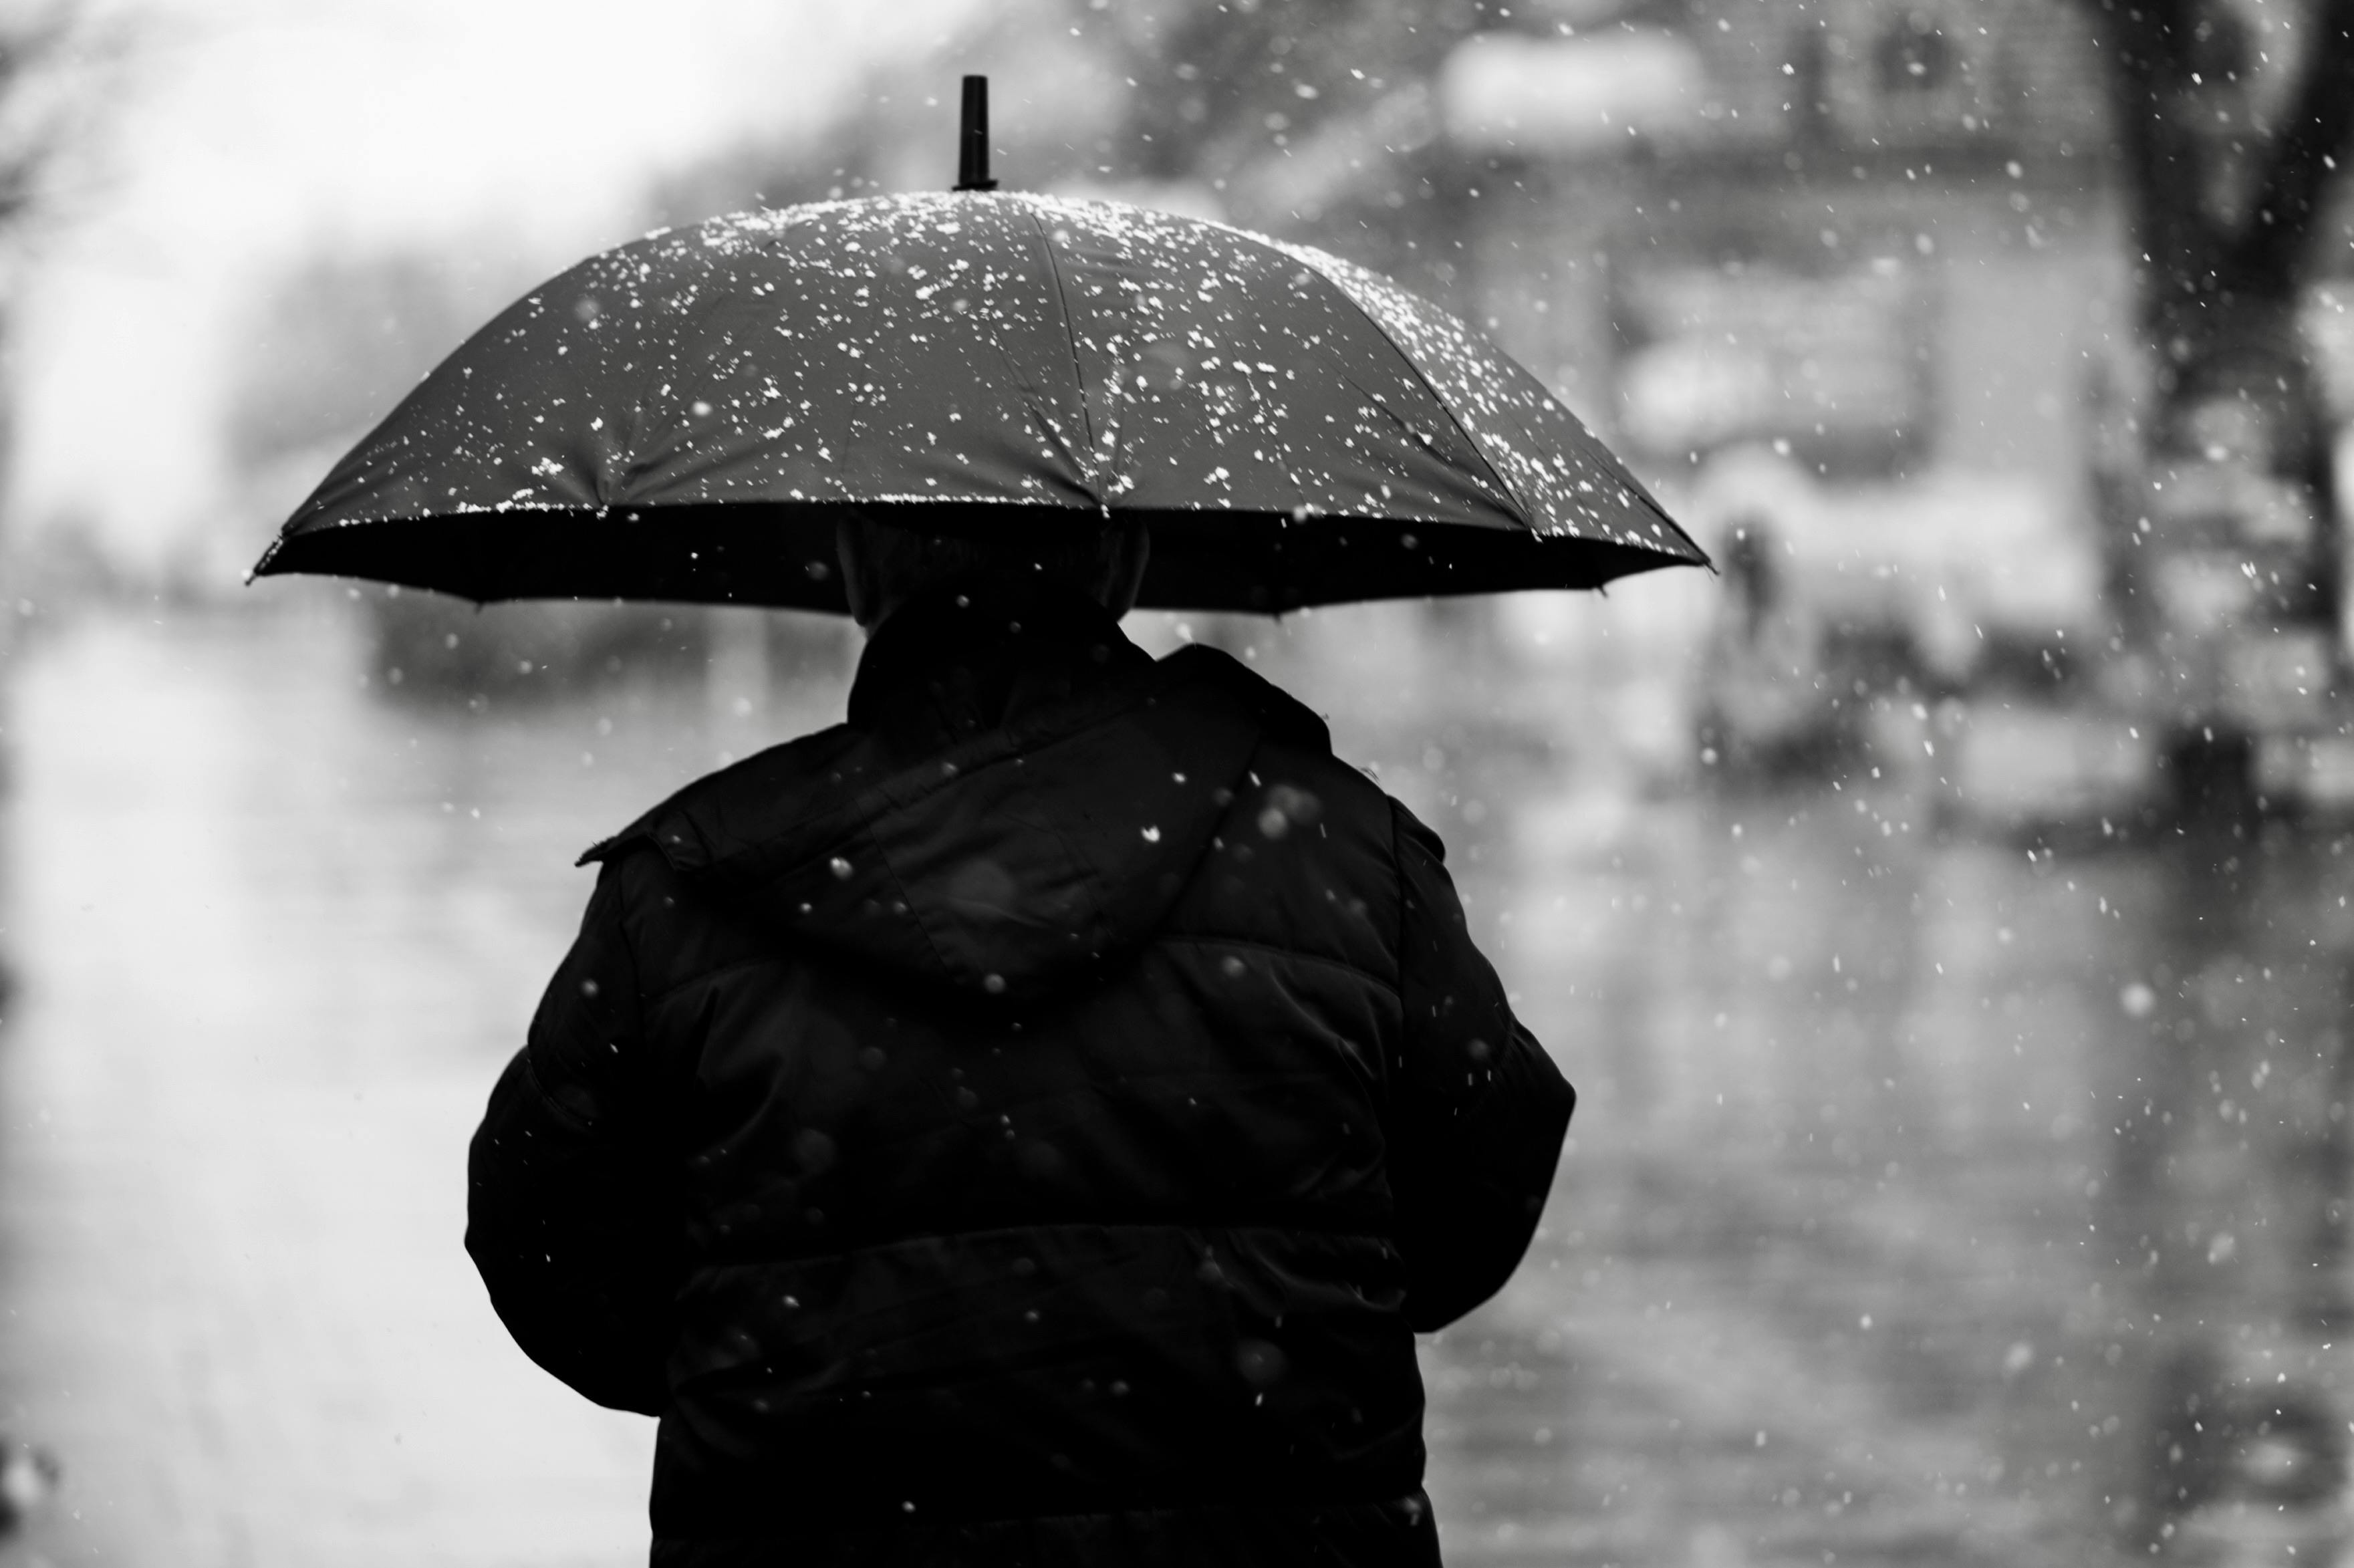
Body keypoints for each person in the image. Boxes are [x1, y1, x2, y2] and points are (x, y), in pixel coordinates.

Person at [465, 511, 1575, 1567]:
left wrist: (777, 1362)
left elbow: (546, 1240)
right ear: (1128, 561)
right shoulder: (1344, 850)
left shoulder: (689, 887)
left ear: (854, 563)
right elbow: (1478, 1190)